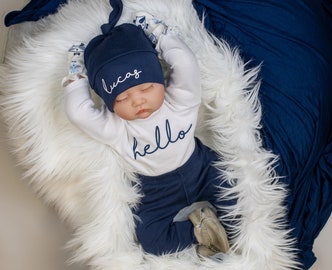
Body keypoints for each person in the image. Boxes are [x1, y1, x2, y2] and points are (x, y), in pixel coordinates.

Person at [62, 13, 235, 258]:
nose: (137, 101)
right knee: (153, 242)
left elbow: (185, 63)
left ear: (161, 82)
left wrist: (160, 35)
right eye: (121, 98)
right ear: (110, 104)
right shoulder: (115, 127)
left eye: (145, 88)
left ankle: (223, 225)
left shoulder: (181, 101)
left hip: (201, 169)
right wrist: (76, 74)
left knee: (238, 201)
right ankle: (202, 230)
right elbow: (77, 112)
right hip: (155, 191)